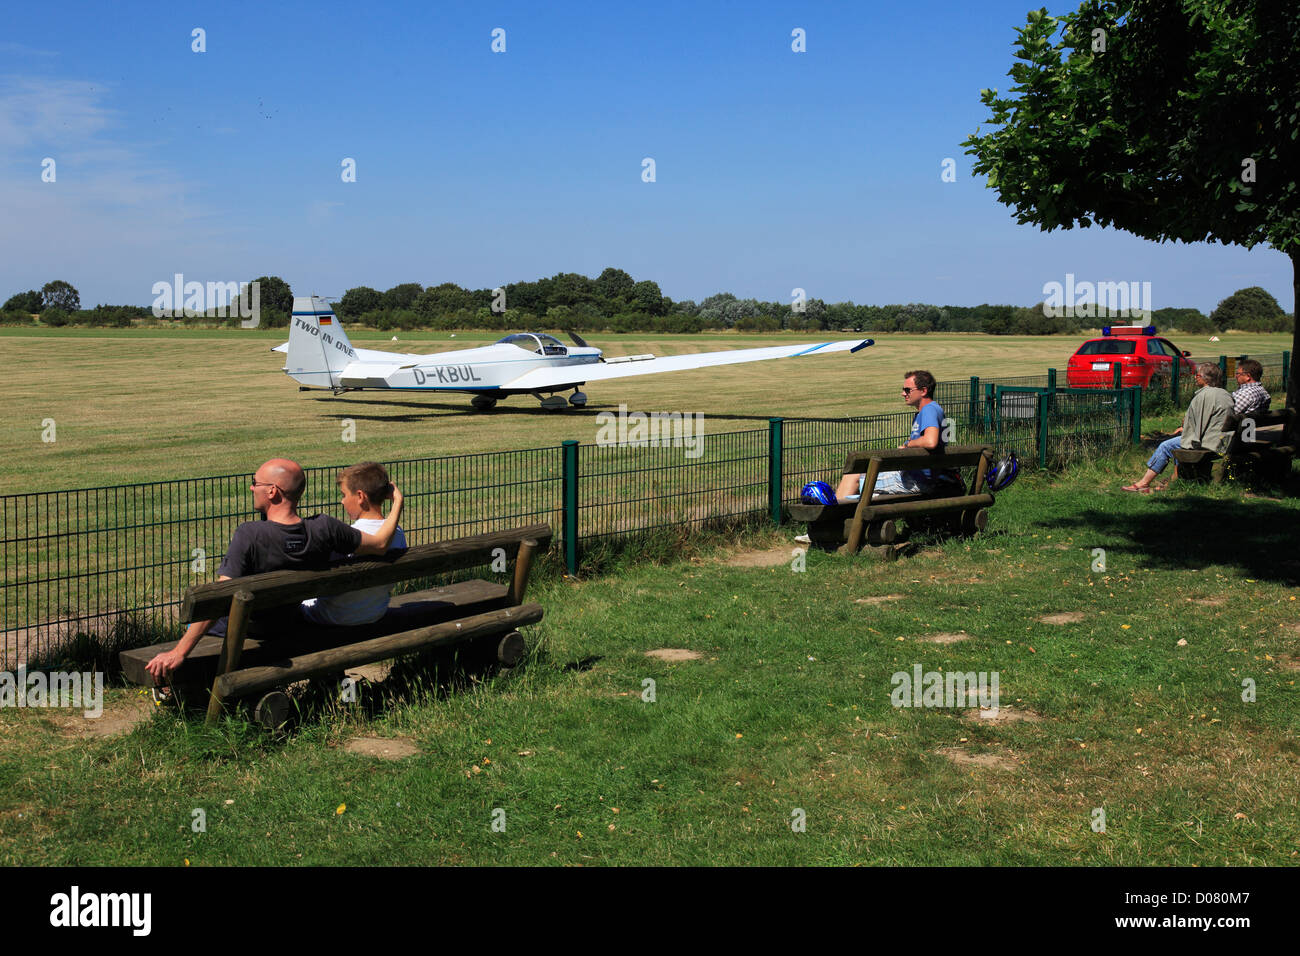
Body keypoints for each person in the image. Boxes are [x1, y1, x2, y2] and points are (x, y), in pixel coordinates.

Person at [144, 458, 404, 681]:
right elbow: (381, 543)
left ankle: (180, 688)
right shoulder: (325, 529)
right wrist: (396, 505)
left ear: (273, 492)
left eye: (255, 483)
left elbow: (220, 598)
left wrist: (178, 652)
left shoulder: (249, 535)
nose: (251, 487)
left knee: (195, 620)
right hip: (290, 621)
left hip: (255, 627)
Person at [301, 462, 407, 626]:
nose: (342, 501)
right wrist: (398, 501)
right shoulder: (398, 533)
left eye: (344, 494)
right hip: (375, 613)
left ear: (360, 496)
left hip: (330, 618)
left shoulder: (345, 540)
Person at [835, 369, 951, 500]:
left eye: (908, 390)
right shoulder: (932, 410)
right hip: (923, 477)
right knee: (866, 474)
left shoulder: (929, 410)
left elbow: (931, 441)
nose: (903, 394)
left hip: (917, 481)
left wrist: (909, 444)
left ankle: (835, 516)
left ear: (923, 391)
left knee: (853, 476)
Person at [1123, 362, 1233, 493]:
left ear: (1204, 378)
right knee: (1177, 442)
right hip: (1223, 441)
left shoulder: (1204, 395)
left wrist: (1186, 432)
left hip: (1209, 443)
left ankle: (1143, 483)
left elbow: (1200, 425)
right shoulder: (1225, 394)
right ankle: (1175, 480)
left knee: (1166, 446)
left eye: (1197, 375)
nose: (1195, 378)